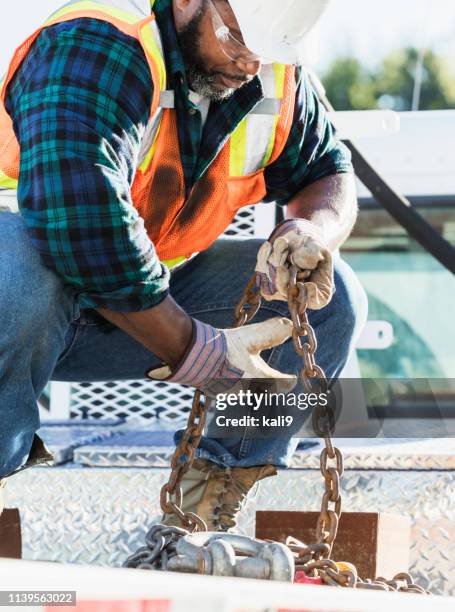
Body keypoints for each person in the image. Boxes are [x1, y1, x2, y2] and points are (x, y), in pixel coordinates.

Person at [0, 0, 367, 529]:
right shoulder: (102, 42)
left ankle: (200, 514)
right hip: (21, 303)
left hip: (123, 311)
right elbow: (77, 220)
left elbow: (328, 171)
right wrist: (194, 350)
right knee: (17, 262)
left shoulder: (271, 72)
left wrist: (312, 230)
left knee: (332, 304)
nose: (250, 65)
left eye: (264, 52)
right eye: (239, 40)